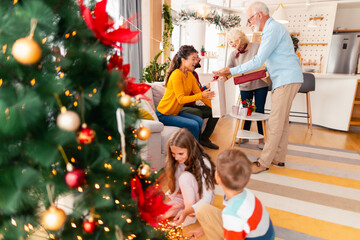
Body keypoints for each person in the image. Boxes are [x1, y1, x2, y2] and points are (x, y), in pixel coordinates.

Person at [213, 1, 303, 174]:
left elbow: (258, 61)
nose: (249, 23)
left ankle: (263, 162)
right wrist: (230, 73)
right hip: (287, 78)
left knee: (276, 122)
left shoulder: (272, 29)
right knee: (282, 122)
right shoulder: (272, 29)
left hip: (285, 79)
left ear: (259, 15)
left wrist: (231, 70)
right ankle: (279, 158)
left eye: (250, 19)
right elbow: (268, 62)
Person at [189, 149, 275, 239]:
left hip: (256, 237)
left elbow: (232, 219)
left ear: (218, 177)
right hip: (263, 234)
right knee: (202, 209)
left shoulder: (232, 214)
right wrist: (205, 228)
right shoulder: (243, 193)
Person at [156, 45, 215, 142]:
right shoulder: (176, 74)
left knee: (199, 120)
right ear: (183, 60)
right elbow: (181, 99)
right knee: (194, 124)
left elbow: (199, 94)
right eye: (193, 59)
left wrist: (215, 109)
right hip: (163, 114)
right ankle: (194, 151)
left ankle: (195, 146)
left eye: (196, 59)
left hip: (175, 113)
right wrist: (201, 95)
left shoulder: (190, 76)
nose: (196, 62)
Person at [161, 128, 216, 227]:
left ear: (191, 149)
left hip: (202, 201)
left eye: (180, 153)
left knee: (185, 177)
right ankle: (183, 211)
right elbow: (175, 190)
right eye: (173, 154)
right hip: (185, 198)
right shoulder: (177, 163)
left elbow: (206, 198)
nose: (177, 158)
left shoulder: (203, 163)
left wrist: (187, 212)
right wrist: (161, 204)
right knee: (160, 214)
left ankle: (190, 216)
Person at [226, 28, 269, 150]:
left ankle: (261, 138)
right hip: (245, 86)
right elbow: (229, 69)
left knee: (259, 111)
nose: (233, 45)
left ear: (240, 40)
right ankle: (245, 135)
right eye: (230, 43)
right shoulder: (234, 54)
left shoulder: (257, 47)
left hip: (260, 83)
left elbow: (266, 62)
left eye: (234, 42)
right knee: (246, 110)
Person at [180, 55, 219, 149]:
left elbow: (198, 90)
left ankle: (204, 139)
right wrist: (203, 90)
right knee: (197, 113)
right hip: (182, 106)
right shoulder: (182, 74)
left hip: (193, 104)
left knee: (215, 112)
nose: (199, 59)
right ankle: (196, 141)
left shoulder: (195, 74)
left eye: (197, 58)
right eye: (195, 58)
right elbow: (188, 94)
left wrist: (206, 87)